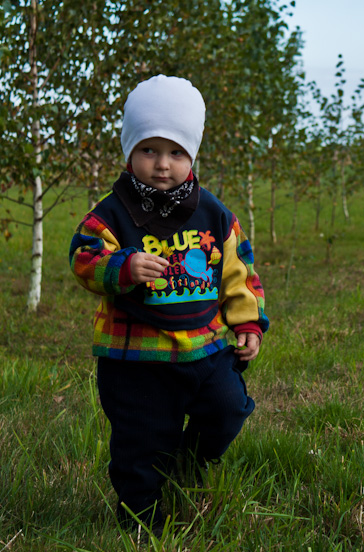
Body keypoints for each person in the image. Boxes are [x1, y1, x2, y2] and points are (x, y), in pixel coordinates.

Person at [69, 74, 269, 531]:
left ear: (192, 155)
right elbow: (83, 258)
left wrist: (248, 323)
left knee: (227, 408)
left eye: (176, 152)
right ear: (129, 152)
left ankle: (187, 465)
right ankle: (143, 517)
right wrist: (121, 266)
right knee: (142, 439)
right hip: (136, 355)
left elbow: (239, 272)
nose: (163, 165)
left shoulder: (212, 211)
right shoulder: (113, 211)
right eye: (149, 149)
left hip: (204, 345)